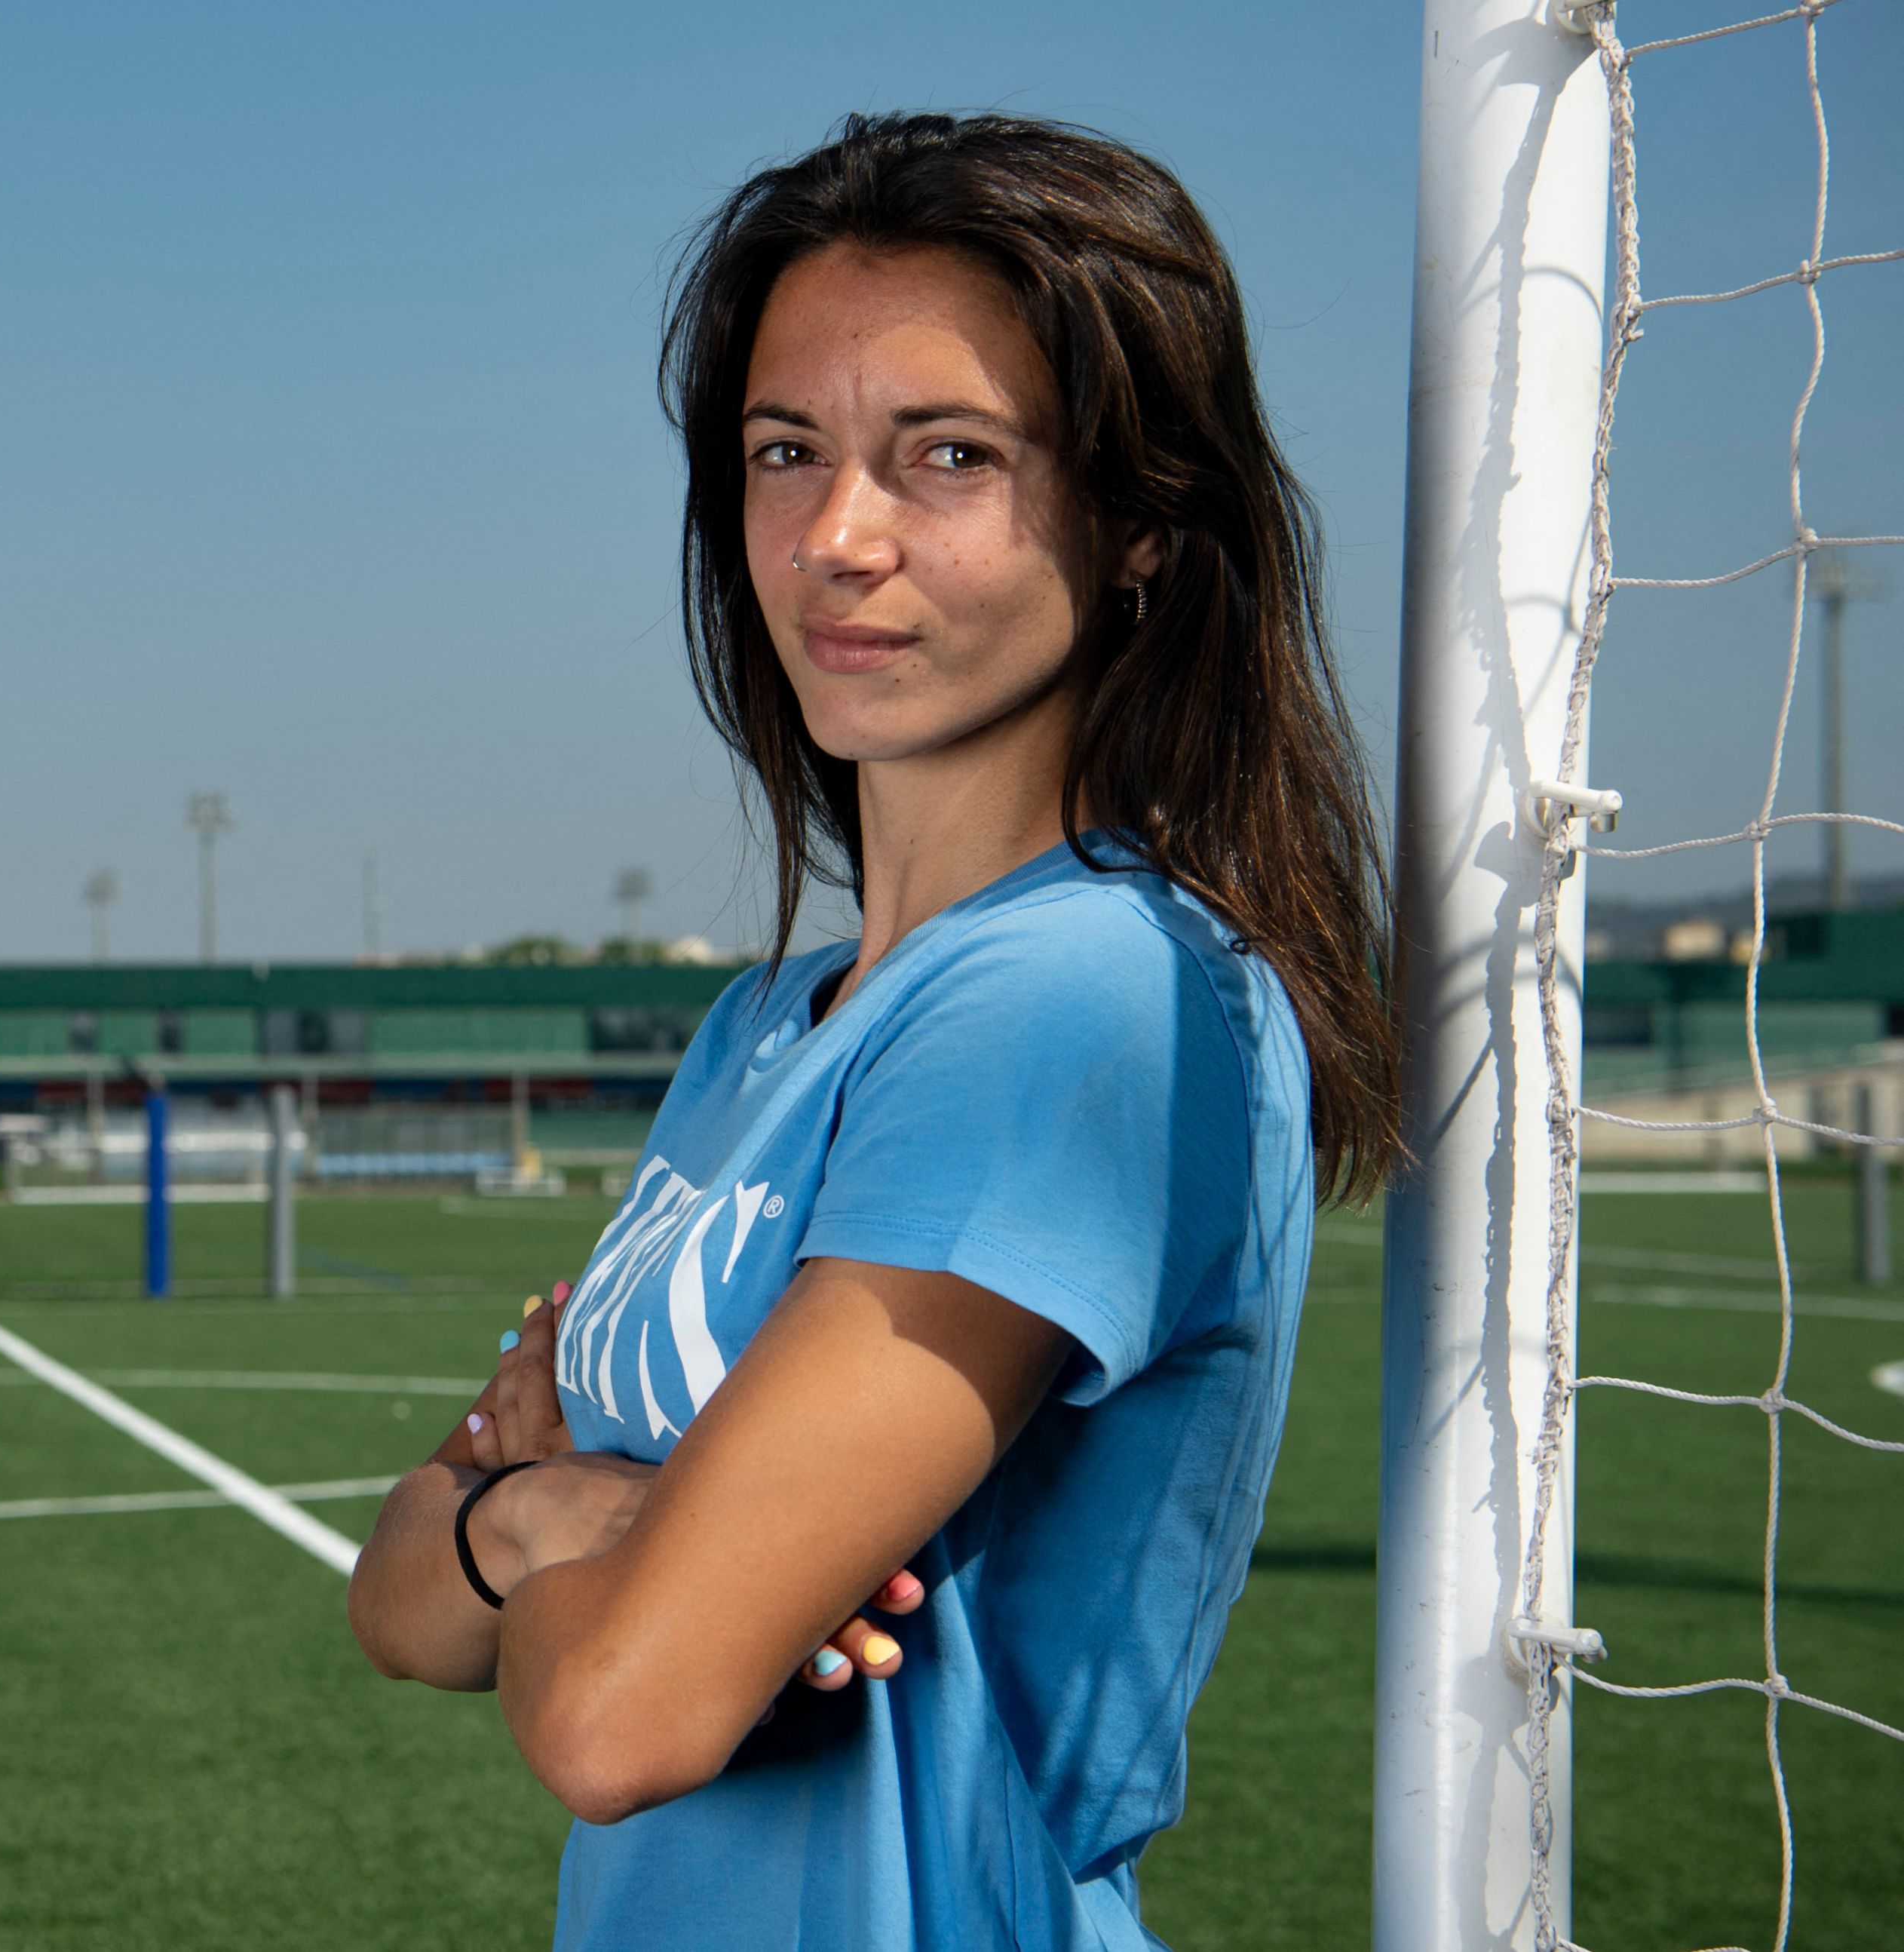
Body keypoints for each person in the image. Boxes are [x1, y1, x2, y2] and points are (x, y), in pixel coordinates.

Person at [345, 113, 1397, 1951]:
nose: (839, 535)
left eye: (951, 457)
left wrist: (530, 1513)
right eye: (786, 452)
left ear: (1142, 518)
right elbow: (396, 1602)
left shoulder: (1090, 991)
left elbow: (618, 1713)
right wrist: (557, 1522)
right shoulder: (762, 1026)